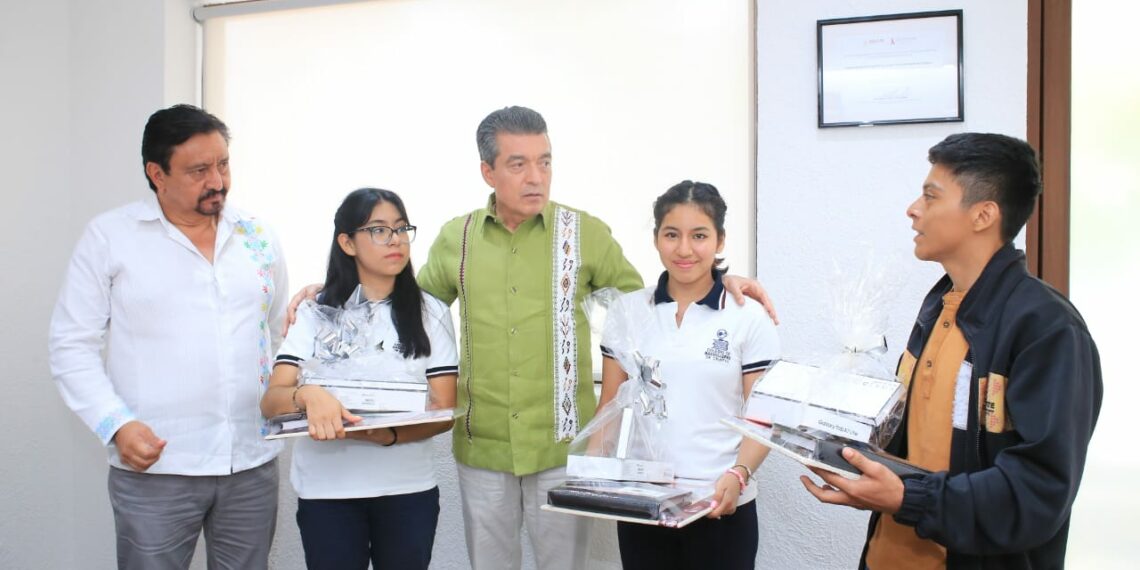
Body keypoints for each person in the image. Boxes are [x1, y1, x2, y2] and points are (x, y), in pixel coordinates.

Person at [288, 106, 777, 569]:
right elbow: (403, 303)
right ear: (487, 172)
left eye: (544, 161)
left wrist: (723, 281)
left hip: (561, 451)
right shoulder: (456, 239)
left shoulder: (586, 233)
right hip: (484, 448)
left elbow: (653, 304)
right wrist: (330, 287)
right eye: (518, 164)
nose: (536, 176)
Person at [801, 133, 1103, 569]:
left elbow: (1038, 492)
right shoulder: (940, 306)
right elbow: (918, 445)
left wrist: (907, 497)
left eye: (930, 195)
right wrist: (850, 458)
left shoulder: (1047, 328)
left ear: (983, 214)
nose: (913, 209)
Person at [48, 104, 286, 569]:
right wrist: (115, 423)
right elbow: (70, 345)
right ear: (156, 173)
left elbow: (276, 334)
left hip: (250, 462)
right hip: (158, 466)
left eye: (223, 164)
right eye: (199, 170)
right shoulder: (111, 237)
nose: (217, 181)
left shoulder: (258, 236)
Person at [261, 188, 458, 570]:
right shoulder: (315, 312)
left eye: (402, 229)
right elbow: (271, 401)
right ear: (347, 242)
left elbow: (444, 411)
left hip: (407, 490)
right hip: (327, 491)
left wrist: (390, 434)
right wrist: (308, 395)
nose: (396, 240)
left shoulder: (430, 311)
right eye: (379, 230)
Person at [596, 180, 780, 569]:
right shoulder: (629, 312)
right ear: (656, 239)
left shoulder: (747, 315)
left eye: (699, 236)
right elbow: (609, 406)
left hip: (719, 503)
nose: (684, 249)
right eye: (672, 235)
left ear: (720, 240)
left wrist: (739, 474)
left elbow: (763, 415)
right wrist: (591, 474)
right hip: (643, 502)